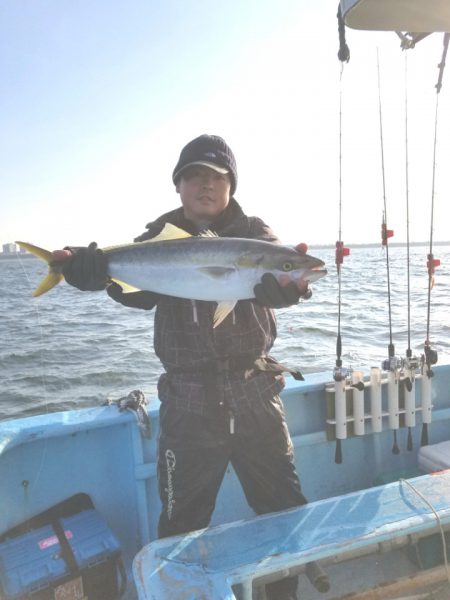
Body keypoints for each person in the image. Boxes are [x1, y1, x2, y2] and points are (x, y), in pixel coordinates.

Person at [60, 134, 314, 600]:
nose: (206, 185)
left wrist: (288, 285)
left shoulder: (254, 233)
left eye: (217, 177)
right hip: (189, 405)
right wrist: (95, 273)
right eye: (195, 175)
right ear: (178, 185)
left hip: (255, 394)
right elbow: (135, 292)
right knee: (180, 527)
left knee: (284, 514)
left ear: (231, 186)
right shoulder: (157, 238)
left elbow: (280, 263)